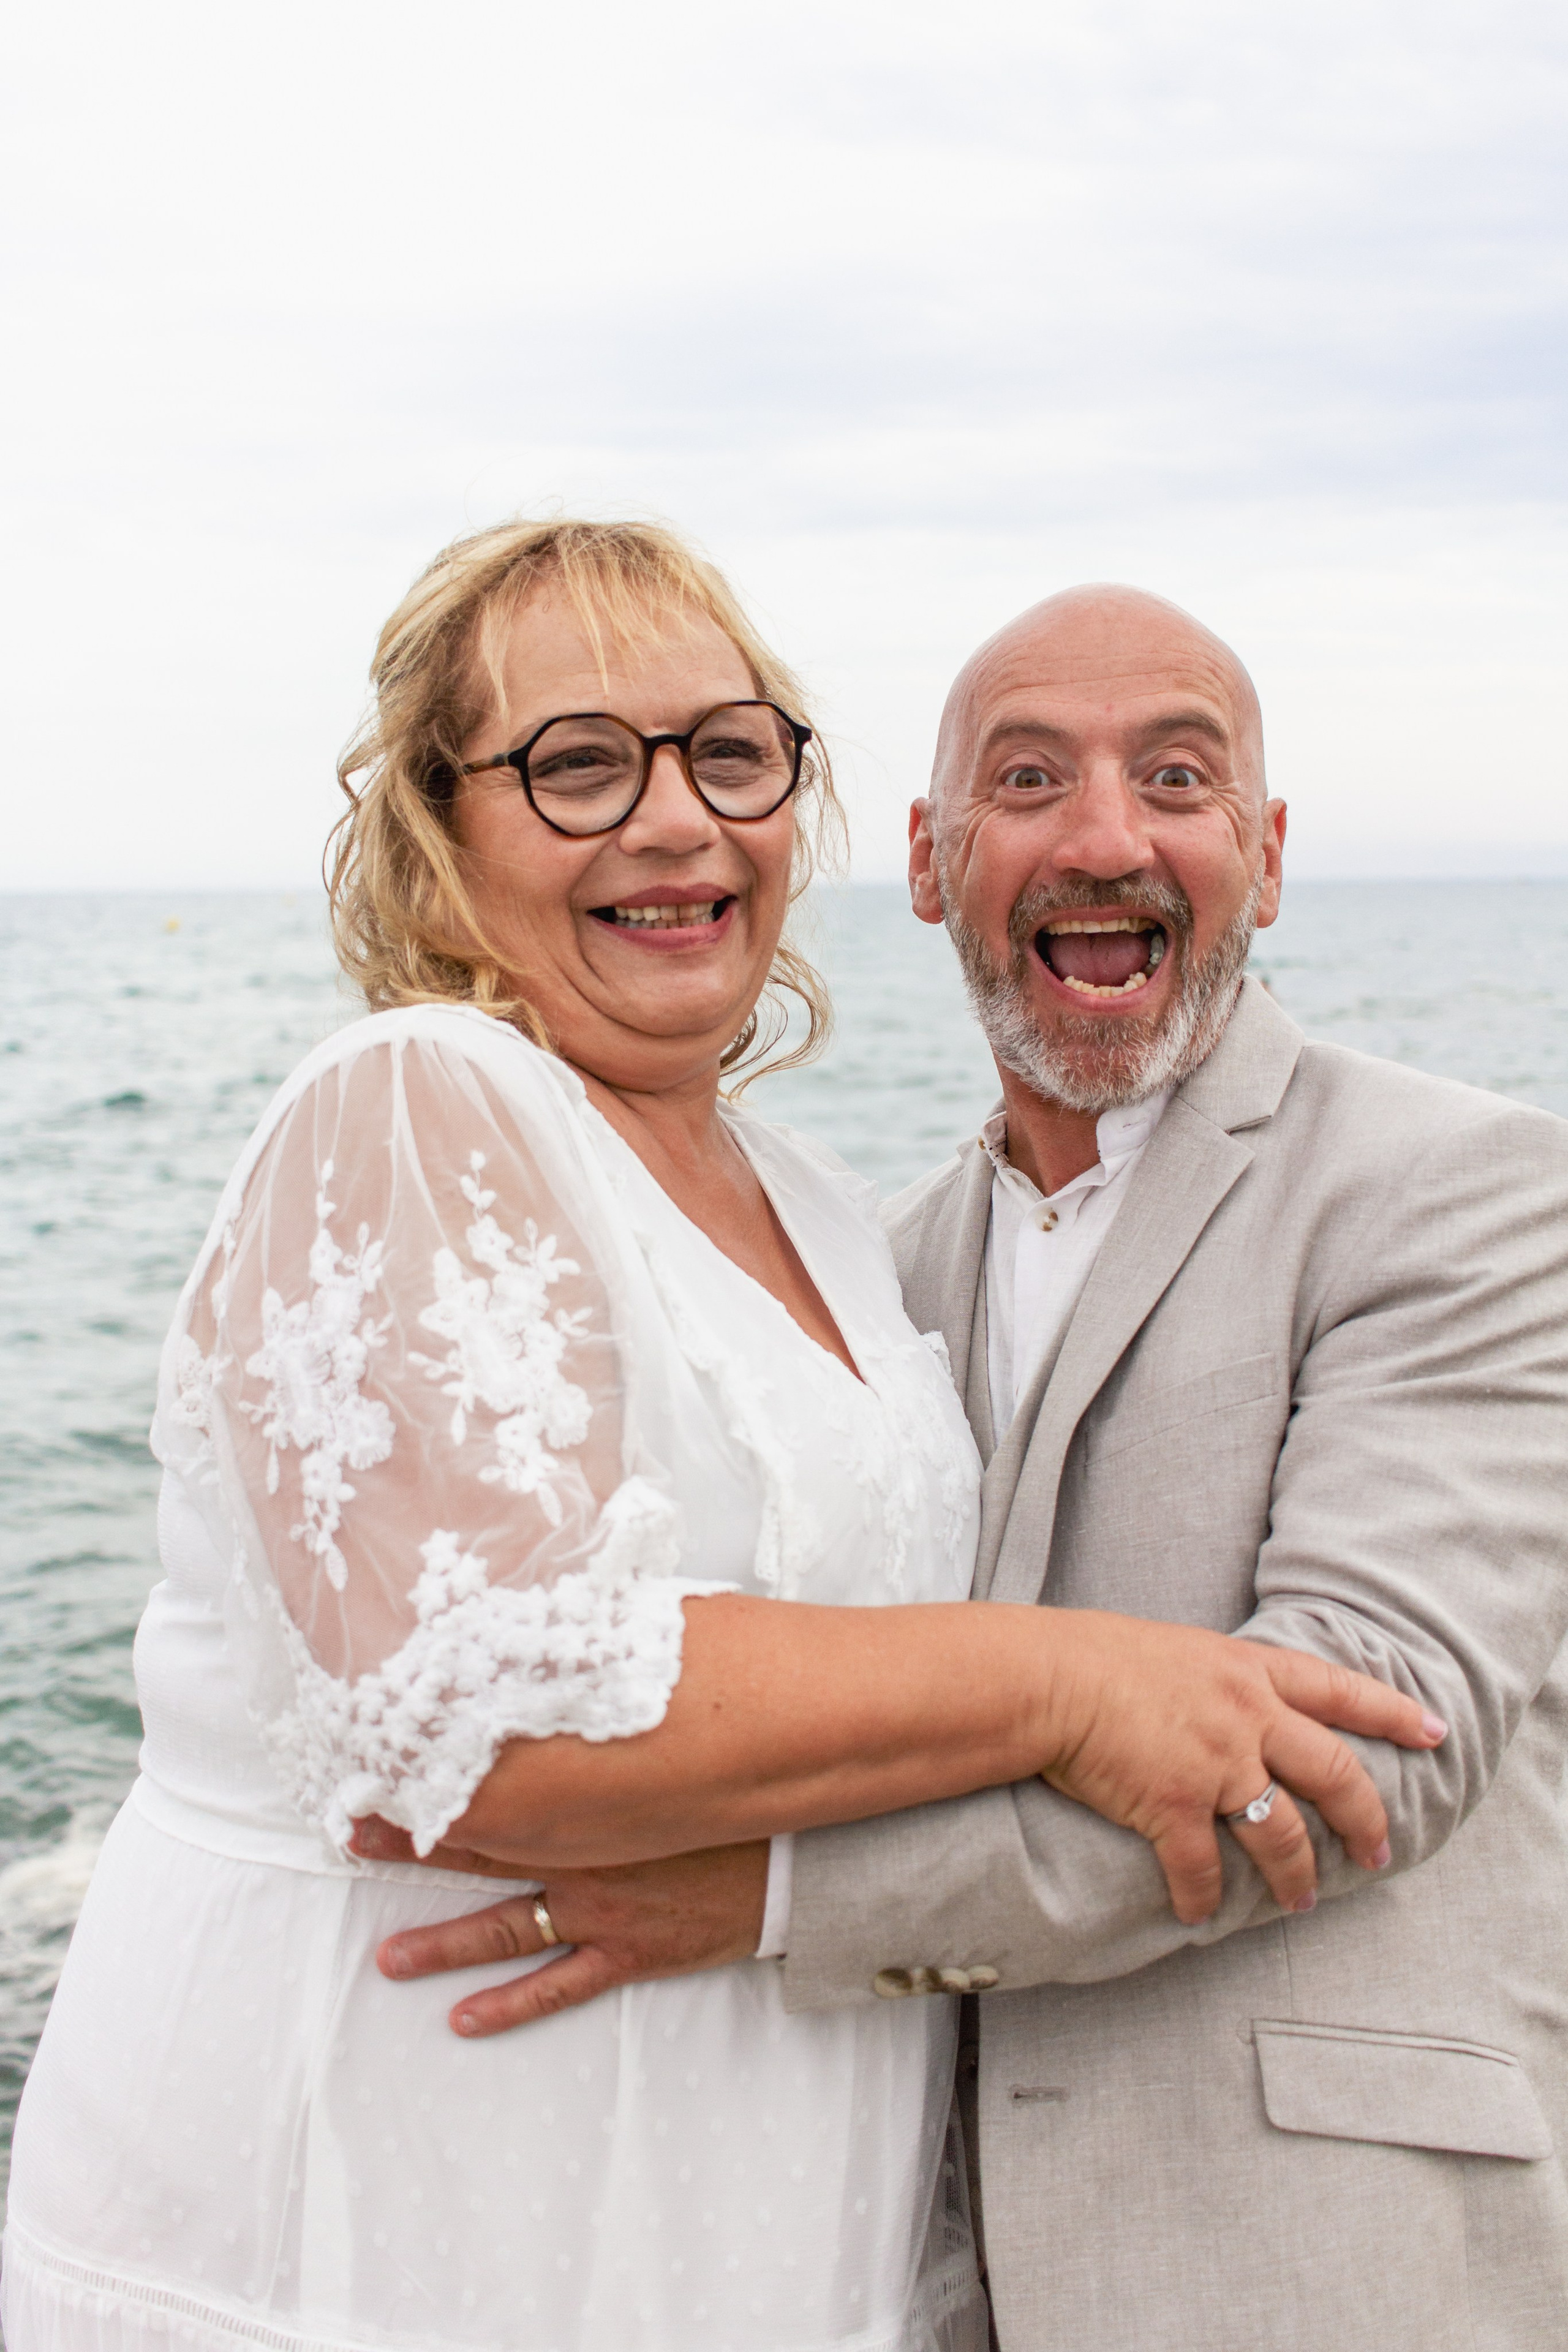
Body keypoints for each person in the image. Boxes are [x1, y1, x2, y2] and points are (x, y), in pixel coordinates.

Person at [2, 530, 1434, 2352]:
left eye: (730, 755)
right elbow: (487, 1718)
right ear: (440, 827)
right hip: (405, 2218)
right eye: (580, 764)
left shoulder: (825, 1206)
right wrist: (1073, 1686)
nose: (675, 821)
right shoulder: (414, 1101)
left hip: (753, 2229)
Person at [375, 584, 1568, 2352]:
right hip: (905, 2267)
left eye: (1177, 778)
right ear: (933, 864)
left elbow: (1368, 1747)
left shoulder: (1463, 1187)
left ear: (1265, 855)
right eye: (1028, 780)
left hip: (1322, 2263)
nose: (1107, 839)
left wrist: (772, 1900)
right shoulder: (870, 1268)